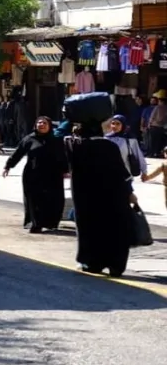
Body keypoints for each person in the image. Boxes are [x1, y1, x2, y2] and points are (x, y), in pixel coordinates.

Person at [65, 117, 136, 277]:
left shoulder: (77, 146)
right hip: (114, 195)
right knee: (115, 229)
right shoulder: (109, 146)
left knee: (91, 229)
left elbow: (64, 143)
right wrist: (129, 192)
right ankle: (116, 266)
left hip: (88, 198)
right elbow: (121, 172)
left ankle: (92, 263)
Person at [2, 116, 68, 233]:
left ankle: (50, 223)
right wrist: (8, 166)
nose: (41, 124)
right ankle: (35, 223)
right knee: (33, 199)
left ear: (49, 126)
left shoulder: (57, 140)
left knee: (53, 199)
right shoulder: (29, 139)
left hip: (53, 175)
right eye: (39, 122)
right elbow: (18, 153)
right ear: (35, 125)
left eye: (44, 123)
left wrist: (67, 170)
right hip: (33, 174)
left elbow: (64, 157)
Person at [105, 115, 147, 186]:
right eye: (113, 123)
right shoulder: (106, 138)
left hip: (125, 175)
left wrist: (144, 171)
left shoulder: (130, 139)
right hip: (109, 174)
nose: (114, 126)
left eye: (118, 124)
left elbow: (139, 156)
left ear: (123, 125)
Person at [146, 90, 167, 157]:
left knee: (152, 142)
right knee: (158, 142)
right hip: (161, 127)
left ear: (159, 100)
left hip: (154, 127)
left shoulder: (157, 107)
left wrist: (149, 124)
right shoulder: (166, 108)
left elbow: (152, 117)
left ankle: (151, 154)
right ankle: (156, 153)